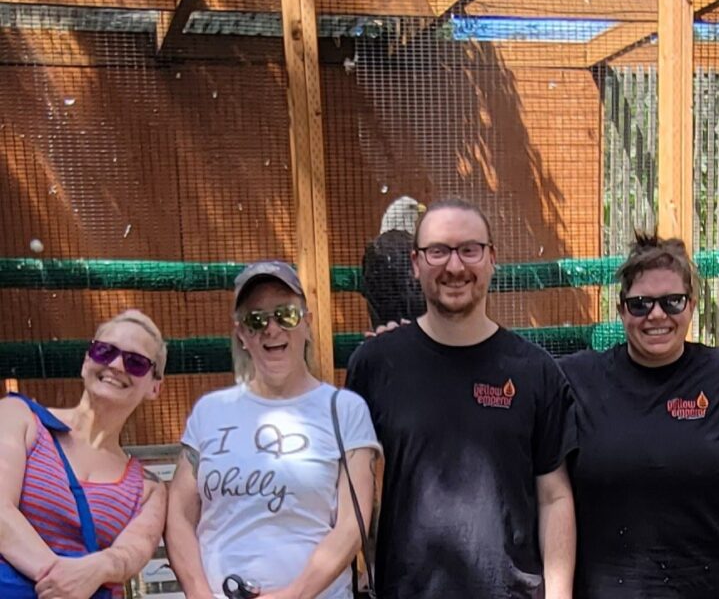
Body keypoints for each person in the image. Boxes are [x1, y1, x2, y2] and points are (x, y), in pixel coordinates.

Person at [345, 197, 577, 599]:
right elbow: (348, 491)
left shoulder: (535, 370)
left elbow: (554, 496)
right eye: (438, 251)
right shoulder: (375, 364)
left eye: (470, 250)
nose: (455, 267)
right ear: (415, 264)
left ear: (491, 260)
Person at [558, 234, 719, 599]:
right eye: (641, 304)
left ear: (691, 305)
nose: (657, 315)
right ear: (621, 309)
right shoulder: (578, 381)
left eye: (672, 302)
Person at [165, 261, 381, 599]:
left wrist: (293, 594)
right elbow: (178, 514)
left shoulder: (344, 410)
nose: (271, 329)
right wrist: (198, 592)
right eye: (256, 320)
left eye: (286, 316)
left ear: (307, 325)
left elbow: (353, 525)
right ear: (241, 334)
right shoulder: (209, 412)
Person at [0, 309, 169, 599]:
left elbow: (130, 554)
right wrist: (63, 581)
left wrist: (98, 568)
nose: (116, 365)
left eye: (136, 362)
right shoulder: (18, 417)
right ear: (86, 361)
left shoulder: (148, 487)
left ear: (155, 387)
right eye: (104, 351)